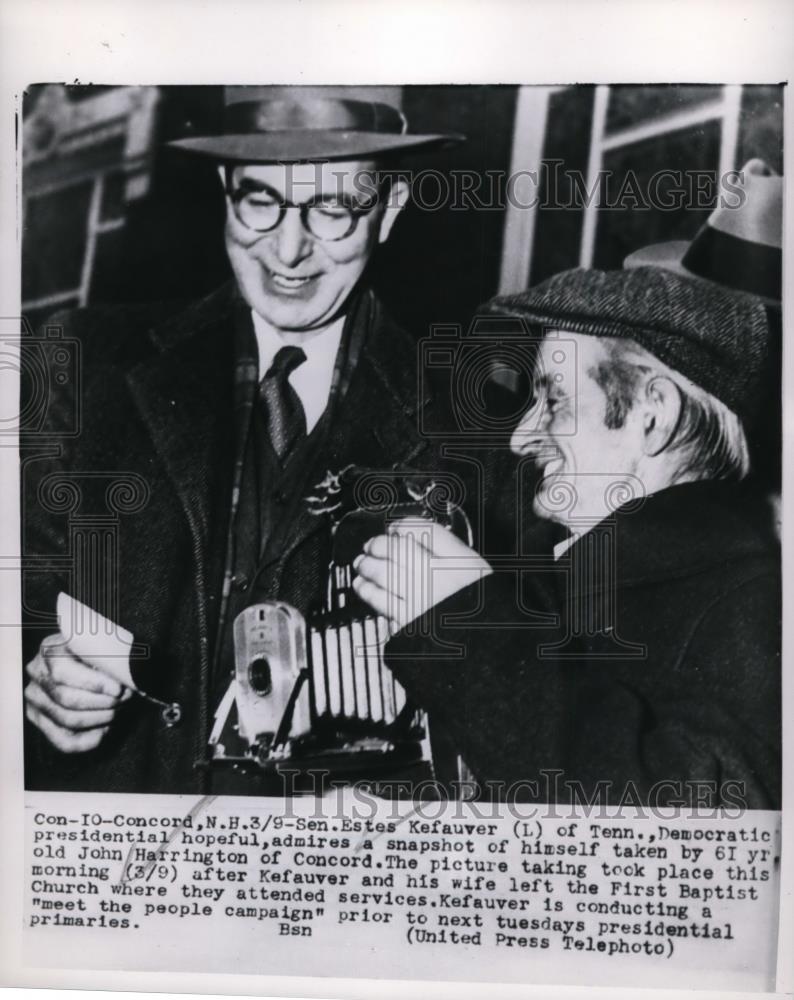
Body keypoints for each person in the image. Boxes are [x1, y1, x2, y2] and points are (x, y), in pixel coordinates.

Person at [21, 90, 510, 794]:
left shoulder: (479, 429)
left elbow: (518, 697)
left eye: (334, 211)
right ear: (225, 188)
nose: (288, 251)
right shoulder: (78, 360)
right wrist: (34, 678)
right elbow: (22, 601)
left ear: (391, 209)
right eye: (261, 201)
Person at [353, 263, 781, 808]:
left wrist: (476, 628)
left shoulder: (753, 604)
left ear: (654, 416)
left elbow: (699, 844)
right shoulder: (555, 573)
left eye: (553, 400)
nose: (519, 437)